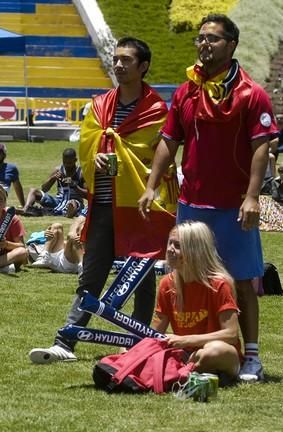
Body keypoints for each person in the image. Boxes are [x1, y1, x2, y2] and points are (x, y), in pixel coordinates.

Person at [138, 14, 279, 382]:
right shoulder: (187, 90)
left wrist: (252, 197)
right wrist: (152, 184)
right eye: (200, 38)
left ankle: (251, 357)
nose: (204, 45)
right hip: (192, 204)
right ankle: (184, 348)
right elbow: (170, 141)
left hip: (233, 208)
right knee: (184, 277)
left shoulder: (251, 93)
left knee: (243, 280)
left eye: (212, 39)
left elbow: (261, 147)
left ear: (231, 45)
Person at [29, 37, 177, 364]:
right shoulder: (100, 107)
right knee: (92, 275)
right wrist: (96, 156)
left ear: (143, 67)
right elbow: (89, 147)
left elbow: (159, 158)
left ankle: (139, 344)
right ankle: (65, 341)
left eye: (127, 60)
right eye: (116, 59)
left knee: (141, 279)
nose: (119, 65)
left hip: (139, 206)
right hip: (104, 205)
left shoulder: (156, 110)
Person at [153, 221, 241, 382]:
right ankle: (183, 371)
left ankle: (174, 370)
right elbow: (155, 331)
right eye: (170, 243)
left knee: (212, 351)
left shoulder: (219, 284)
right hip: (184, 353)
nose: (170, 249)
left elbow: (231, 334)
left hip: (221, 354)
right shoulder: (167, 283)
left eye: (178, 245)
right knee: (128, 345)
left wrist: (186, 340)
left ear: (195, 251)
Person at [19, 148, 87, 217]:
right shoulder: (58, 170)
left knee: (72, 203)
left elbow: (87, 194)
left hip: (75, 202)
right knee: (33, 191)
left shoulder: (81, 172)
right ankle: (25, 209)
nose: (66, 165)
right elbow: (44, 189)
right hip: (58, 201)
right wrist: (53, 178)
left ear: (75, 160)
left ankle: (69, 213)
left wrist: (75, 186)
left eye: (69, 163)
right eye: (64, 162)